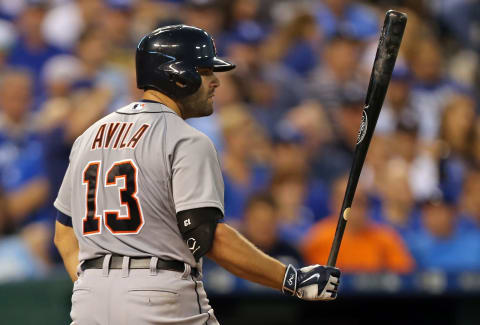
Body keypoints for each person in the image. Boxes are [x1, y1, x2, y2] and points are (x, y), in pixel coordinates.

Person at [53, 25, 340, 325]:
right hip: (159, 294)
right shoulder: (185, 139)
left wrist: (101, 285)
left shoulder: (89, 135)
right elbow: (208, 237)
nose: (216, 81)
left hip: (89, 302)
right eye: (205, 71)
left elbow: (64, 233)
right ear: (178, 76)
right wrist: (291, 278)